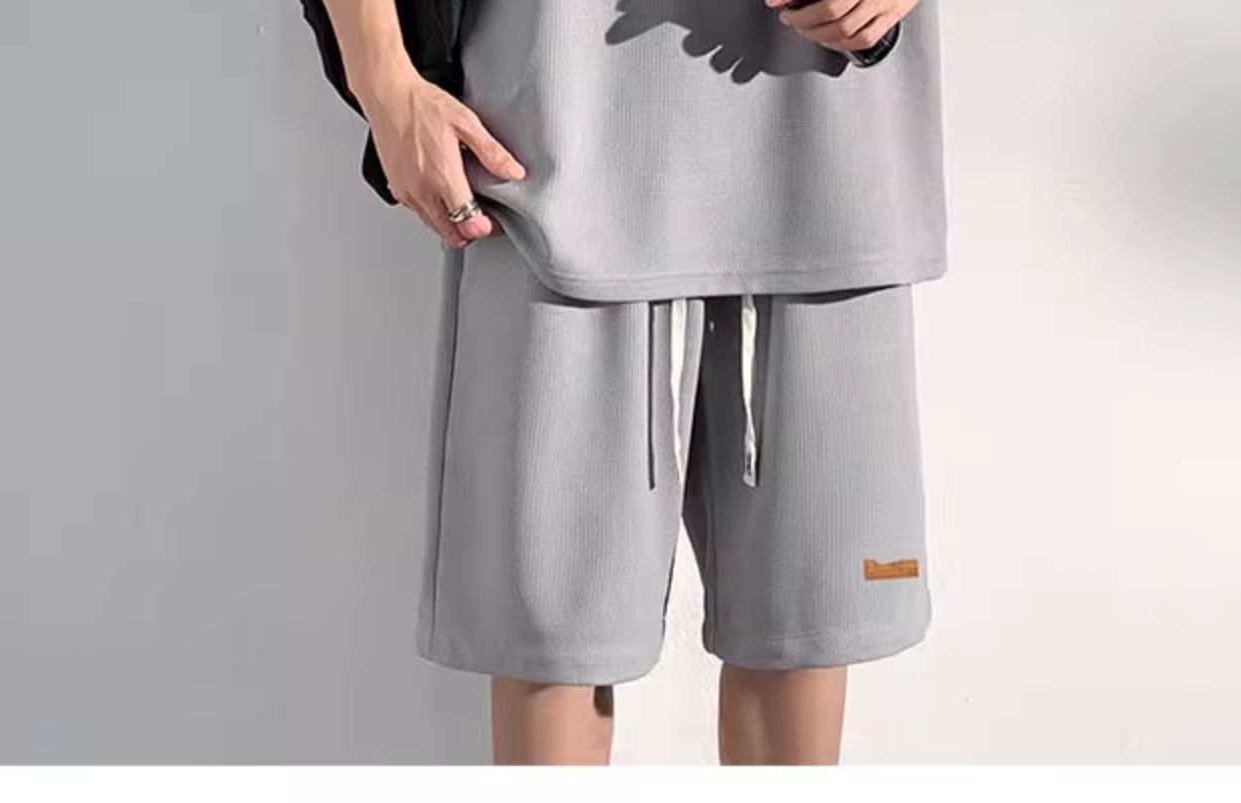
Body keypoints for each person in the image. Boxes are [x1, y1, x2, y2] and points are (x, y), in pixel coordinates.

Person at [319, 0, 947, 765]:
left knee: (805, 634)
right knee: (553, 654)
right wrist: (384, 81)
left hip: (828, 161)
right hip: (553, 159)